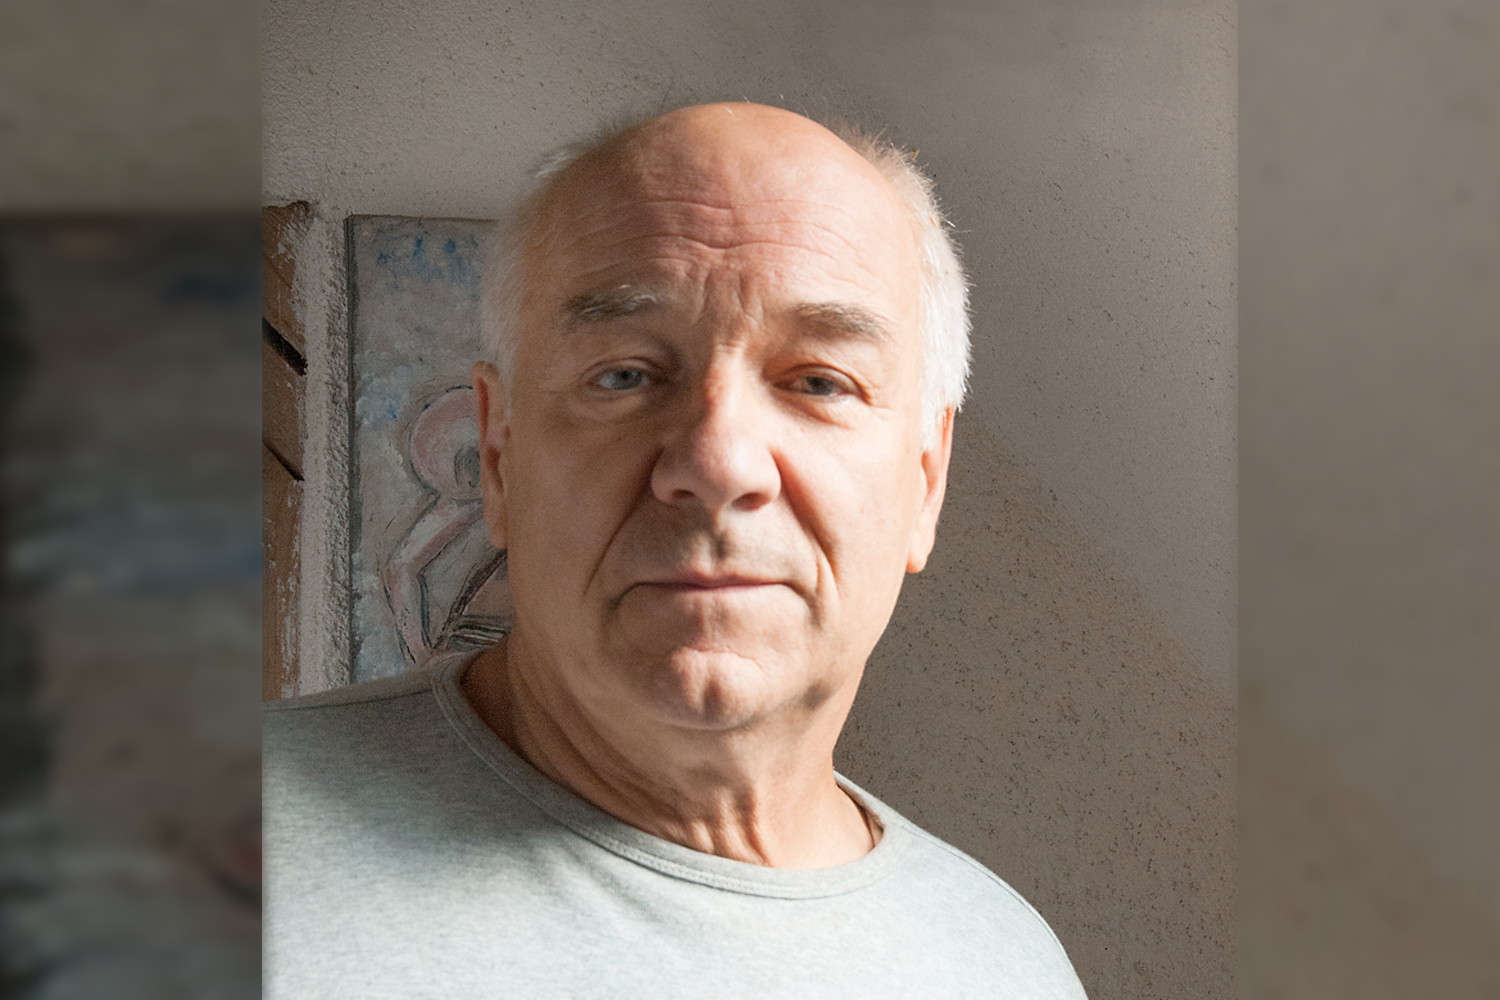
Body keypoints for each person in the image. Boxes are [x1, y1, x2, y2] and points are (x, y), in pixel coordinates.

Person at [265, 102, 1088, 998]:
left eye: (820, 382)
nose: (717, 462)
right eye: (624, 375)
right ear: (498, 455)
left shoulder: (1007, 965)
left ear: (926, 481)